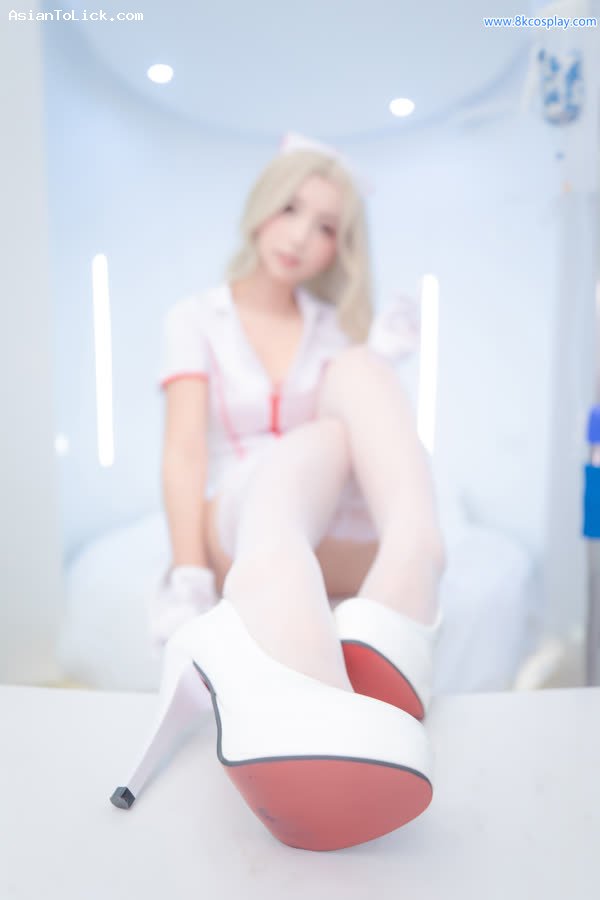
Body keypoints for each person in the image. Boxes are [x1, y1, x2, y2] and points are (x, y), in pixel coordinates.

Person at [111, 135, 447, 851]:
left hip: (330, 531)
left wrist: (377, 364)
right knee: (306, 446)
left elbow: (366, 439)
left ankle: (415, 550)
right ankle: (296, 589)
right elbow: (184, 453)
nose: (300, 236)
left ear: (340, 248)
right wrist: (190, 578)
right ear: (261, 208)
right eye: (291, 209)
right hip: (242, 522)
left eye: (326, 226)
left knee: (356, 379)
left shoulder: (335, 332)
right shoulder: (197, 317)